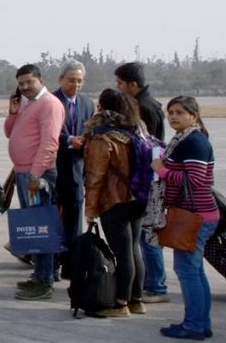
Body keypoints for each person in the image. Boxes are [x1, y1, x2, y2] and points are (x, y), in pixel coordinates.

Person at [153, 96, 217, 340]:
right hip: (197, 214)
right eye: (170, 112)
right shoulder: (186, 139)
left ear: (194, 115)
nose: (173, 117)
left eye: (180, 112)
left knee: (188, 270)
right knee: (194, 270)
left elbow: (196, 179)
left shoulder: (194, 142)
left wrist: (162, 170)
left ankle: (194, 326)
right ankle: (201, 323)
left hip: (195, 216)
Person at [82, 89, 146, 317]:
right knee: (133, 248)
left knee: (123, 252)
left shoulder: (103, 138)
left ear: (100, 107)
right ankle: (136, 300)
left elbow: (95, 177)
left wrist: (90, 209)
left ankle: (120, 304)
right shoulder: (136, 132)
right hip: (137, 199)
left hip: (114, 201)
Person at [5, 63, 64, 301]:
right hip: (24, 173)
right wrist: (13, 111)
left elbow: (50, 143)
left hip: (36, 175)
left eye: (30, 82)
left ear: (41, 80)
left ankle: (45, 281)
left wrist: (36, 175)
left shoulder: (49, 104)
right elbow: (10, 132)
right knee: (33, 228)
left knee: (41, 229)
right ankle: (39, 275)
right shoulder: (29, 103)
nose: (26, 87)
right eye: (21, 84)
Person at [115, 61, 170, 303]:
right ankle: (152, 283)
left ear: (132, 85)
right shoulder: (150, 103)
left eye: (120, 83)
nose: (118, 88)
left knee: (148, 235)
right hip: (152, 178)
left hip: (149, 180)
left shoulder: (143, 107)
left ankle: (156, 287)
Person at [53, 59, 95, 278]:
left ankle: (72, 263)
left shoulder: (88, 104)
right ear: (60, 79)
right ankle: (50, 262)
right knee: (51, 217)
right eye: (71, 80)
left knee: (74, 216)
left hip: (77, 170)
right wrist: (69, 139)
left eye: (79, 81)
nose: (75, 85)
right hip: (53, 168)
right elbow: (47, 132)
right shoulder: (50, 101)